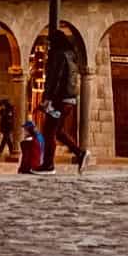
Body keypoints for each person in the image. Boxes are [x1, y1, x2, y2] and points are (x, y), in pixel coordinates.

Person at [40, 29, 87, 173]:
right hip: (69, 100)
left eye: (50, 43)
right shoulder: (71, 55)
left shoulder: (59, 55)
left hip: (59, 101)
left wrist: (48, 99)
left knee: (49, 131)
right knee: (58, 131)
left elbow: (56, 78)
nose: (49, 47)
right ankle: (80, 153)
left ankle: (48, 165)